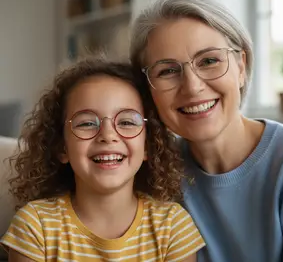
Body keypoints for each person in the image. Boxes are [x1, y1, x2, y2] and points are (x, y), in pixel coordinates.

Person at [129, 0, 283, 262]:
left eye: (209, 61)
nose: (193, 87)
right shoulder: (153, 172)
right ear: (147, 90)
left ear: (241, 67)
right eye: (168, 71)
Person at [0, 55, 205, 261]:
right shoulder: (34, 227)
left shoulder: (173, 227)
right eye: (87, 123)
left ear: (148, 145)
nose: (108, 135)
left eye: (126, 121)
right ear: (61, 147)